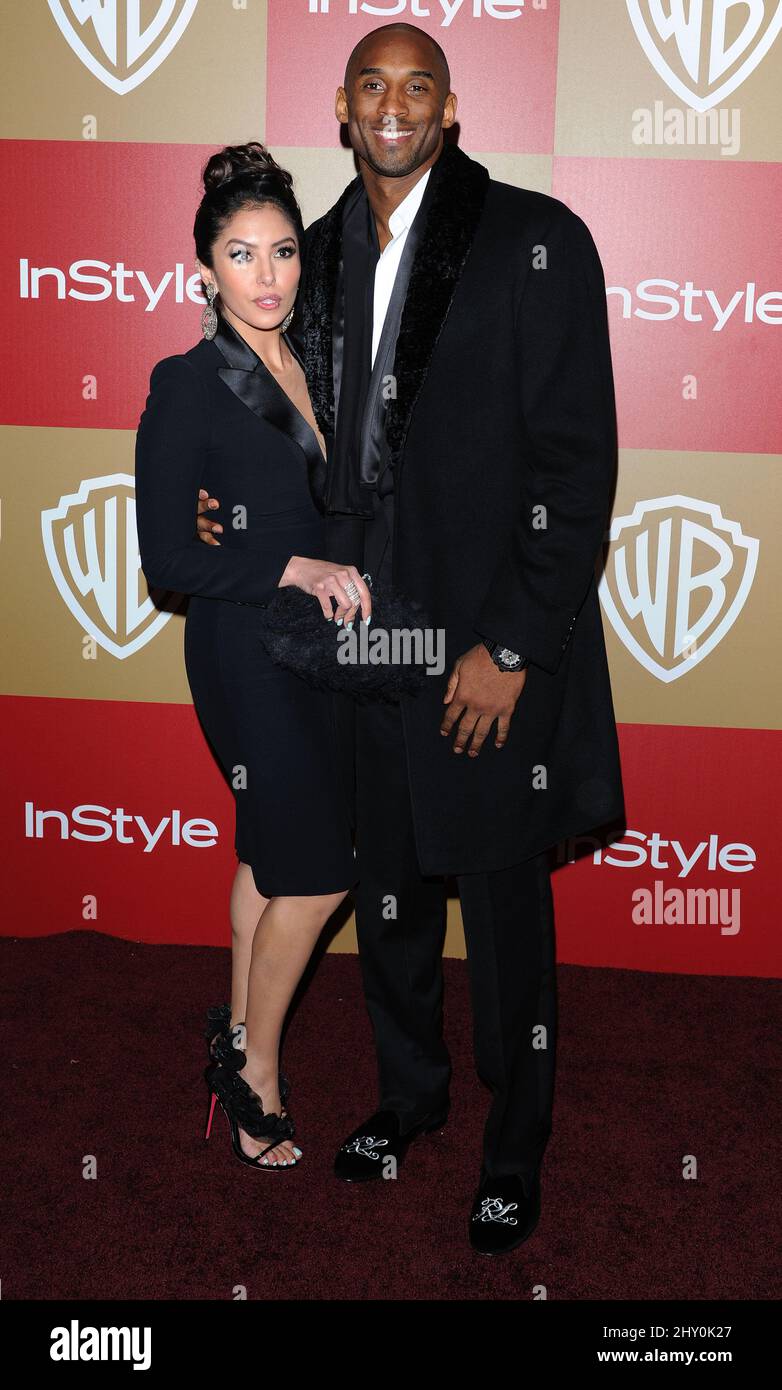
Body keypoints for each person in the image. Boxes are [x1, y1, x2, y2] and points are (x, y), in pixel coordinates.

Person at [197, 23, 625, 1252]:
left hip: (483, 648)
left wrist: (510, 647)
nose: (392, 107)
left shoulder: (535, 240)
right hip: (364, 648)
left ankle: (512, 1140)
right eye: (370, 87)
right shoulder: (316, 252)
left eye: (415, 87)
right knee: (385, 898)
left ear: (450, 107)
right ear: (340, 108)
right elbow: (293, 444)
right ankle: (407, 1096)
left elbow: (574, 461)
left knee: (498, 913)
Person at [135, 143, 373, 1172]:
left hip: (315, 649)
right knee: (319, 873)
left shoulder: (311, 361)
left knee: (265, 856)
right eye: (241, 254)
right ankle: (256, 1077)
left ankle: (235, 1034)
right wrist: (294, 567)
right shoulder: (188, 383)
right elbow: (167, 555)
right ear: (205, 269)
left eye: (282, 251)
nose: (267, 275)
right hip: (244, 648)